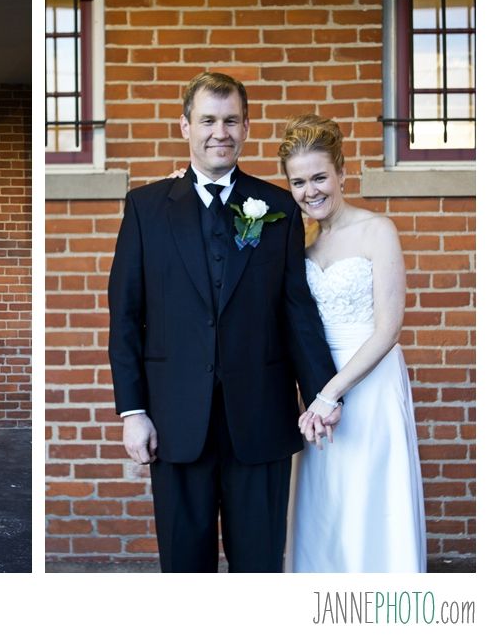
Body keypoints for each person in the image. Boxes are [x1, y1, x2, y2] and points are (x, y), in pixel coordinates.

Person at [108, 71, 336, 572]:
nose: (220, 132)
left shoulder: (276, 206)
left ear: (247, 127)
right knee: (185, 567)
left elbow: (296, 311)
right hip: (174, 421)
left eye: (231, 120)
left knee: (258, 564)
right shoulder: (146, 209)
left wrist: (324, 394)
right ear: (184, 126)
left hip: (259, 417)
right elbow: (125, 317)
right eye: (208, 120)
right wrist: (133, 411)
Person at [279, 114, 426, 572]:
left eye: (320, 176)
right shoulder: (298, 244)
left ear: (342, 172)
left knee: (370, 492)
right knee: (326, 499)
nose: (311, 191)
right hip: (318, 383)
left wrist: (330, 393)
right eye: (299, 182)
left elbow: (388, 328)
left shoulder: (377, 230)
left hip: (369, 381)